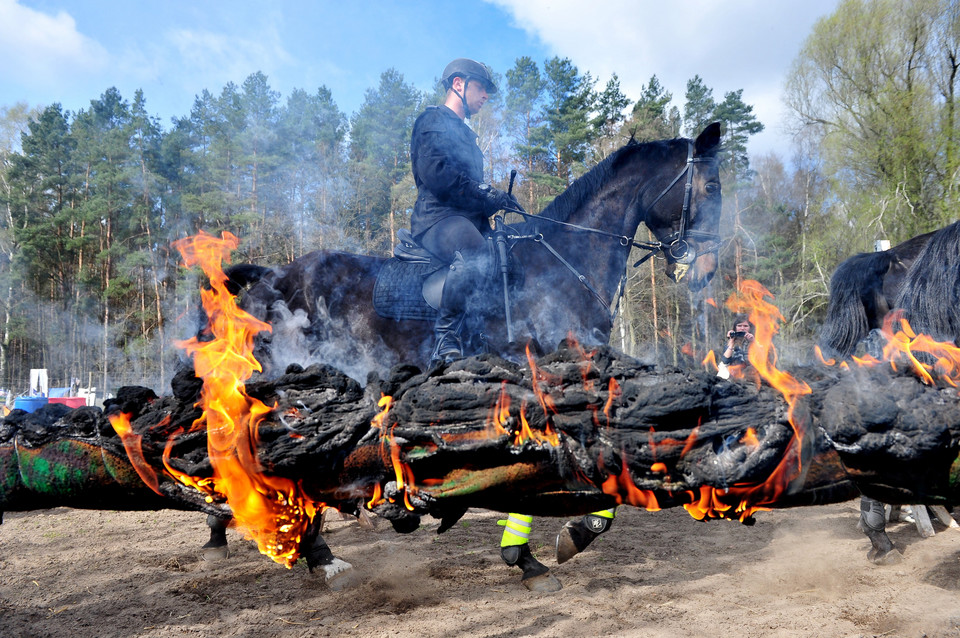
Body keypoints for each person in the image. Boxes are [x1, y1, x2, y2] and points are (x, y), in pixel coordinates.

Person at [409, 58, 519, 365]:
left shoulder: (468, 137)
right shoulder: (431, 122)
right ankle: (446, 337)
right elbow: (437, 174)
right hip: (437, 220)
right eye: (481, 88)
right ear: (459, 84)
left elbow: (469, 188)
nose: (485, 96)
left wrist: (496, 200)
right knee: (476, 253)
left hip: (468, 219)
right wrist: (484, 191)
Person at [717, 313, 755, 379]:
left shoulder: (755, 340)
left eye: (745, 326)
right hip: (734, 373)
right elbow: (725, 361)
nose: (742, 328)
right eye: (739, 326)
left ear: (750, 328)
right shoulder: (730, 342)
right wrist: (731, 341)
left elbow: (763, 358)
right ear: (735, 328)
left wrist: (753, 342)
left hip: (750, 372)